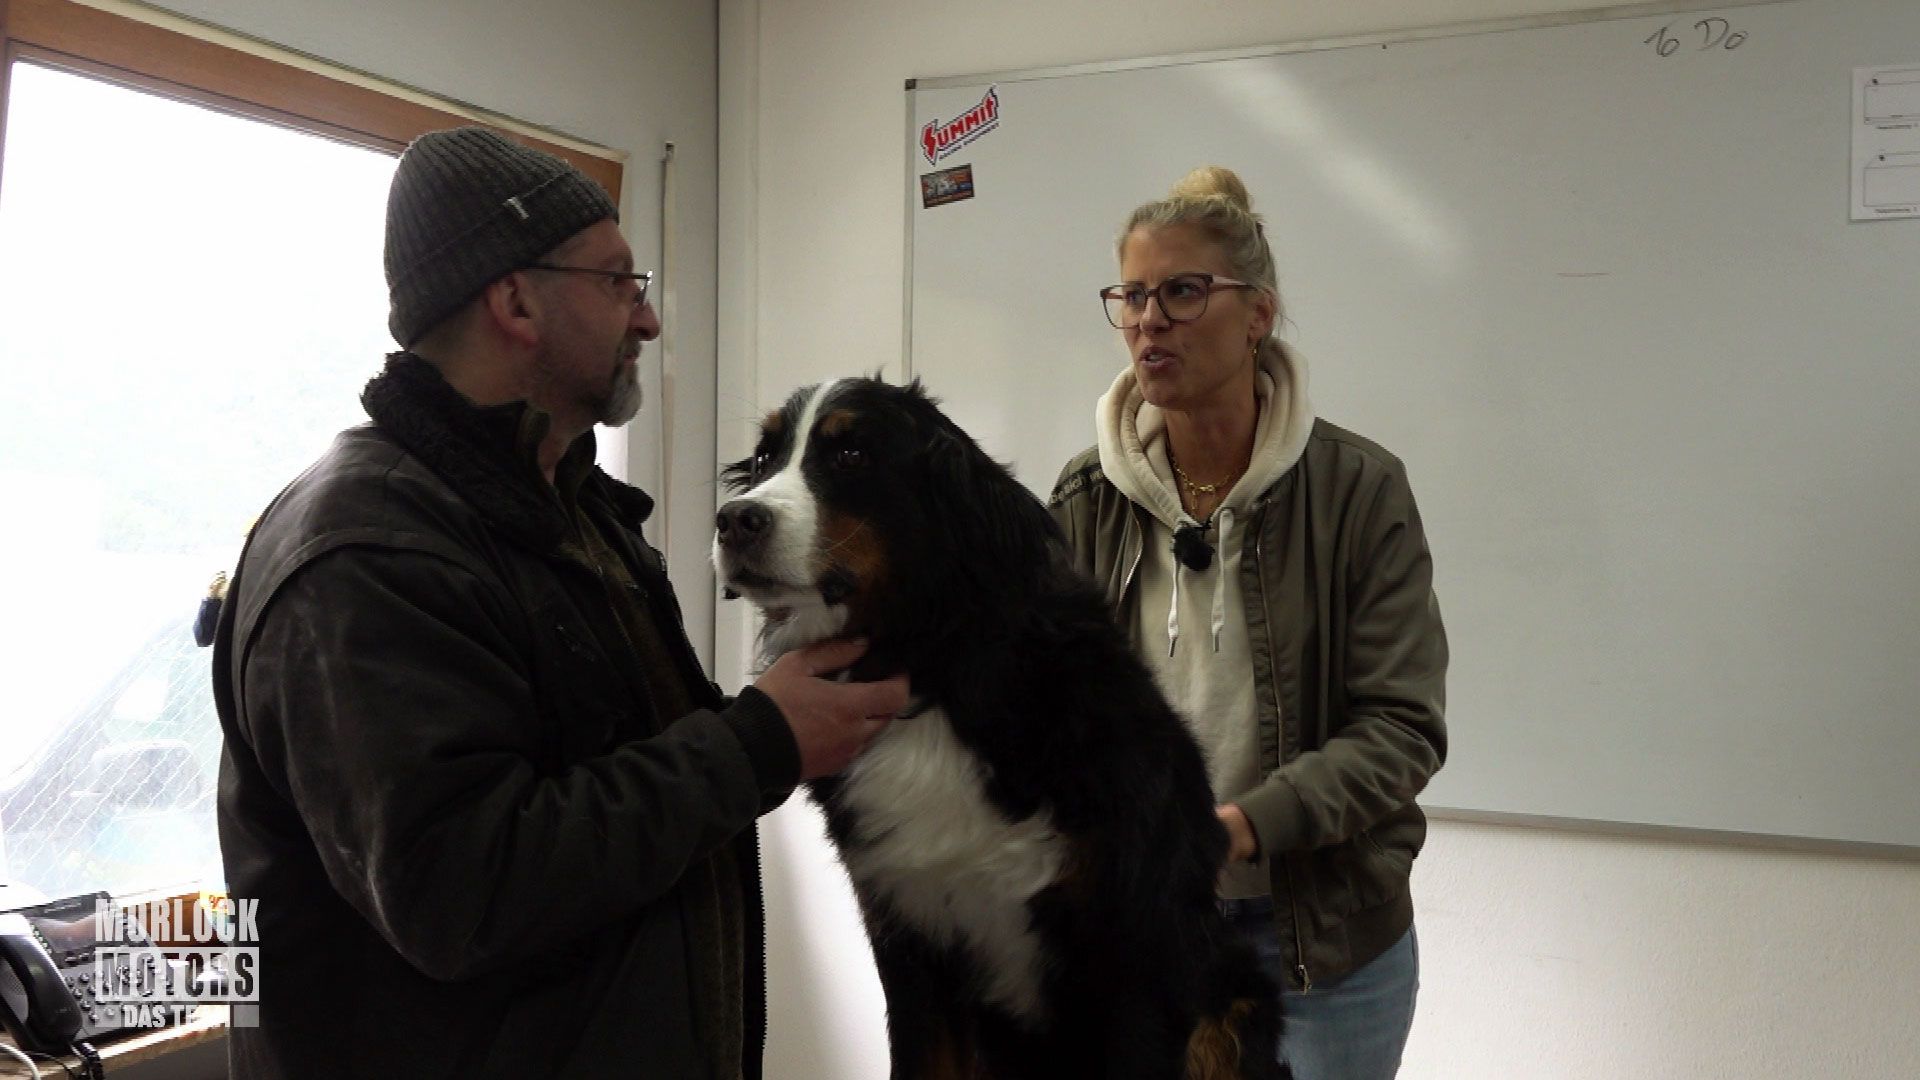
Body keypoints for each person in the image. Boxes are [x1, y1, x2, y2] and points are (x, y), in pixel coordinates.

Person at [210, 127, 907, 1079]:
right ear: (516, 299)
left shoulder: (565, 507)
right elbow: (461, 889)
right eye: (621, 282)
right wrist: (759, 744)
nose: (648, 319)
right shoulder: (362, 553)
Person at [1048, 166, 1448, 1079]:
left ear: (1258, 314)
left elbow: (1401, 727)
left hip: (1324, 945)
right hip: (1142, 929)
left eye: (1184, 292)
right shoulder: (1084, 497)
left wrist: (1239, 826)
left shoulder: (1358, 491)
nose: (1150, 321)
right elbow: (1046, 706)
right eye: (1134, 296)